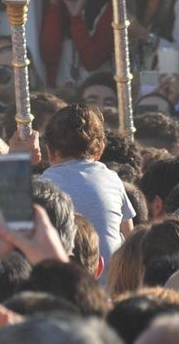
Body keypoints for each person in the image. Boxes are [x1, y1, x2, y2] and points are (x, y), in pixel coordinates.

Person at [38, 104, 134, 270]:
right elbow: (130, 234)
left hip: (63, 278)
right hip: (112, 280)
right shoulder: (111, 178)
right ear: (100, 151)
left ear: (49, 151)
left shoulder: (44, 184)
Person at [40, 0, 113, 89]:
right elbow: (49, 55)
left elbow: (92, 61)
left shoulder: (108, 10)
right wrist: (54, 6)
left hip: (95, 94)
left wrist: (76, 17)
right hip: (60, 93)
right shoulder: (57, 7)